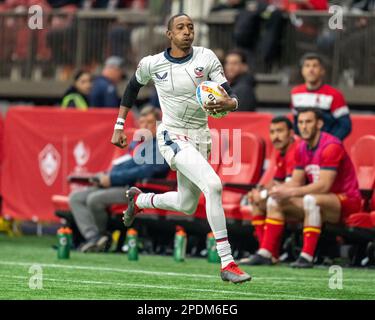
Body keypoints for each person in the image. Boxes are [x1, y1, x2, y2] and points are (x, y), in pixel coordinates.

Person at [111, 13, 251, 283]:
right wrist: (119, 125)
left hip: (201, 136)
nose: (187, 31)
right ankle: (227, 262)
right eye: (180, 27)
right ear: (169, 34)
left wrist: (228, 104)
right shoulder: (153, 63)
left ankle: (140, 200)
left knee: (187, 204)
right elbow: (131, 87)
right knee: (214, 186)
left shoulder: (207, 57)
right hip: (172, 135)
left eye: (190, 27)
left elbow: (229, 94)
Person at [246, 108, 361, 268]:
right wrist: (271, 192)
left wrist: (290, 192)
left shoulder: (331, 146)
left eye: (308, 122)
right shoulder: (302, 148)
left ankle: (306, 257)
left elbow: (324, 185)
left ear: (319, 124)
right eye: (301, 122)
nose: (304, 126)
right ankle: (266, 253)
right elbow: (296, 181)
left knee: (310, 199)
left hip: (346, 200)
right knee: (275, 200)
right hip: (322, 199)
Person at [69, 106, 169, 253]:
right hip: (120, 183)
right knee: (76, 198)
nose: (145, 127)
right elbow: (125, 165)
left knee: (94, 199)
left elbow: (146, 171)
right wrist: (105, 176)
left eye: (150, 123)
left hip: (138, 190)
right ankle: (94, 237)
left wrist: (112, 178)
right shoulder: (139, 143)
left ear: (158, 124)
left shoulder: (162, 144)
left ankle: (103, 237)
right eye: (142, 123)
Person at [240, 116, 298, 255]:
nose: (275, 136)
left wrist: (263, 195)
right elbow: (277, 181)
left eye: (279, 131)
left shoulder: (296, 150)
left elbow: (291, 184)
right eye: (272, 132)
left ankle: (267, 253)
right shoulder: (281, 152)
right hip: (291, 195)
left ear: (290, 133)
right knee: (256, 201)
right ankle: (267, 252)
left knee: (271, 200)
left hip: (303, 196)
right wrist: (259, 190)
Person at [291, 53, 352, 140]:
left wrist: (328, 143)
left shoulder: (334, 95)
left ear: (322, 71)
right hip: (305, 148)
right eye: (307, 66)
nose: (311, 70)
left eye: (315, 66)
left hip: (326, 147)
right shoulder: (296, 93)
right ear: (302, 71)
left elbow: (345, 126)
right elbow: (296, 122)